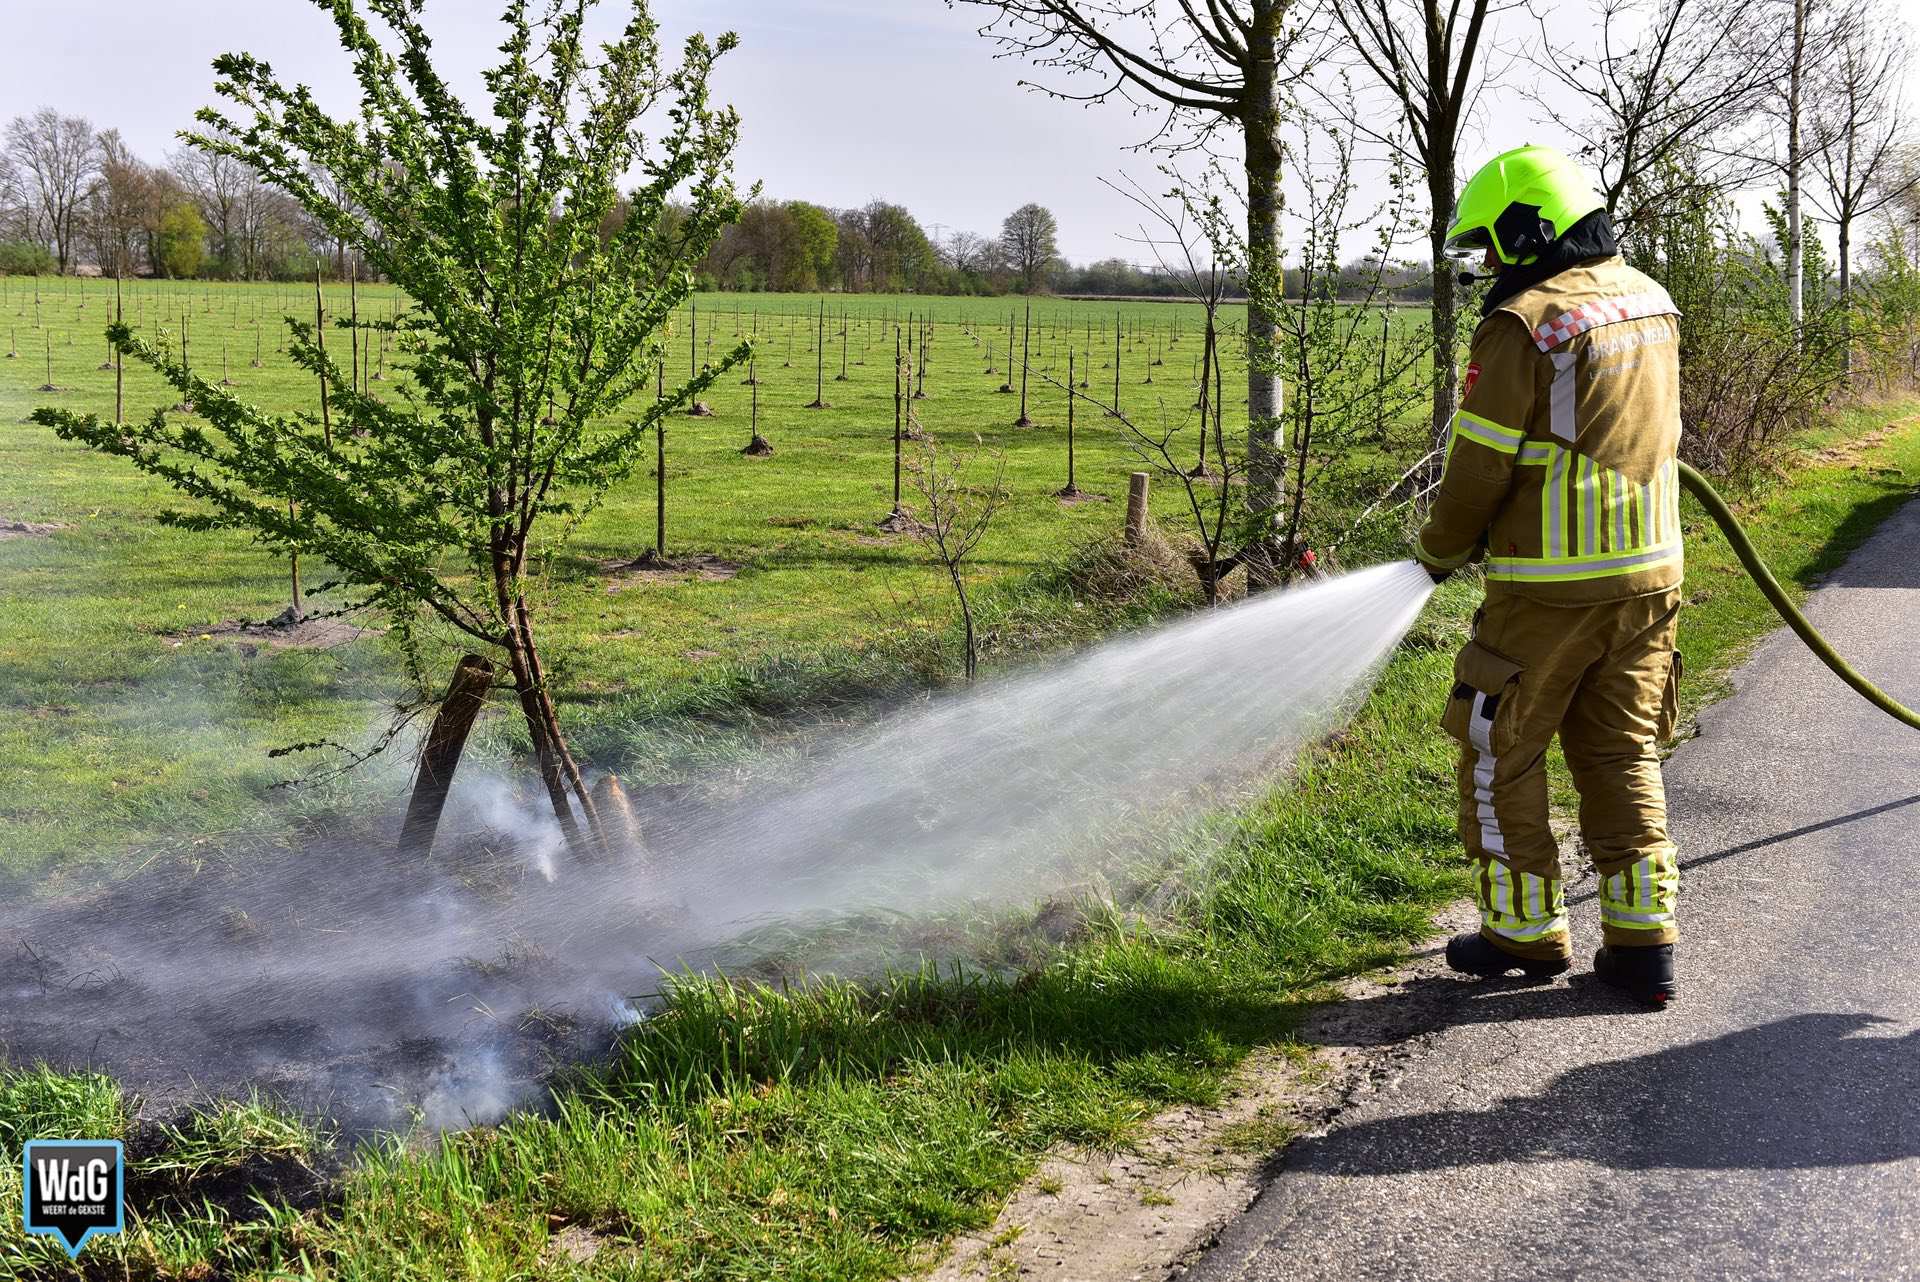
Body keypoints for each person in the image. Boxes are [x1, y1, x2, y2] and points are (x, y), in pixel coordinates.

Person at [1416, 144, 1685, 1006]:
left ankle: (1525, 933)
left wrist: (1435, 555)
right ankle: (1645, 943)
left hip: (1549, 588)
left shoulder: (1524, 323)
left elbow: (1479, 469)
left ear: (1532, 229)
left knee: (1502, 754)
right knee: (1620, 751)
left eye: (1495, 245)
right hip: (1651, 579)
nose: (1490, 266)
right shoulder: (1652, 300)